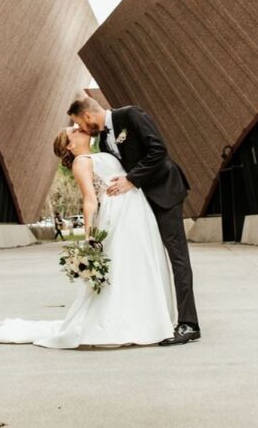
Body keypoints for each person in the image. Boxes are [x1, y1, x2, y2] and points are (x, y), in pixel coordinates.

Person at [0, 126, 176, 348]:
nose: (80, 129)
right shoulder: (82, 161)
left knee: (138, 265)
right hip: (116, 216)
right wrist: (89, 236)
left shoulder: (105, 153)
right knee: (121, 266)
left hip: (135, 212)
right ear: (70, 145)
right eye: (74, 131)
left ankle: (145, 318)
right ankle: (124, 323)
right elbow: (90, 199)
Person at [68, 97, 201, 346]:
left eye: (80, 124)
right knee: (149, 260)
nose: (83, 130)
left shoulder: (130, 116)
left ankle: (189, 324)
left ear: (87, 116)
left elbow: (158, 150)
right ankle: (153, 319)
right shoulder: (102, 141)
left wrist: (132, 179)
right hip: (139, 205)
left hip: (164, 193)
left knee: (178, 256)